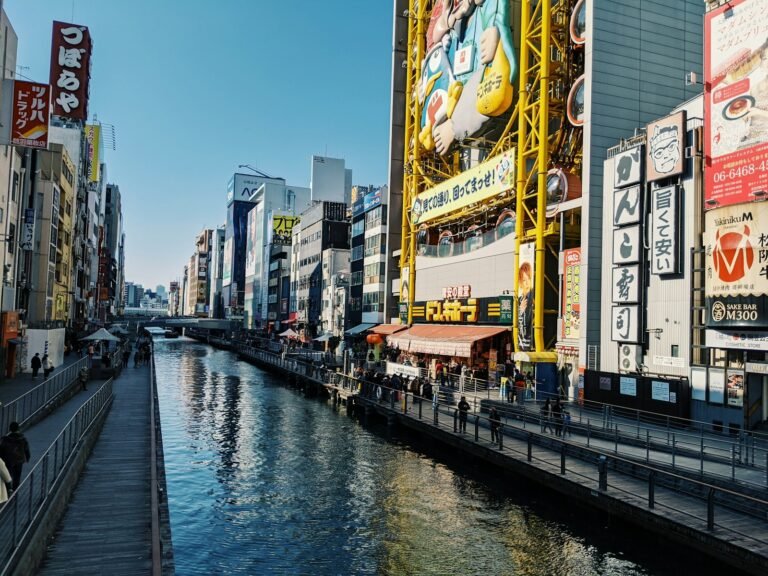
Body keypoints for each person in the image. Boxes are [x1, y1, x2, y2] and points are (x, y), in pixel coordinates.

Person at [0, 422, 31, 491]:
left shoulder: (5, 439)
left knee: (7, 475)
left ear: (10, 429)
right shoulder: (23, 439)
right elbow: (26, 450)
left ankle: (8, 490)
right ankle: (15, 491)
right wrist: (27, 457)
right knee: (17, 476)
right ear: (18, 429)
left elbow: (1, 450)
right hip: (19, 460)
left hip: (8, 460)